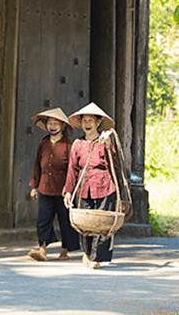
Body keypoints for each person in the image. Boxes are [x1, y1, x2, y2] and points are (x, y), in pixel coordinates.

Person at [63, 102, 118, 269]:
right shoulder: (77, 144)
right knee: (85, 223)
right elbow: (72, 169)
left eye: (90, 120)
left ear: (98, 123)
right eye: (84, 120)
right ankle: (87, 253)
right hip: (83, 187)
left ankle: (96, 258)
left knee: (102, 224)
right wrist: (67, 192)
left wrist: (108, 146)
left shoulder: (105, 143)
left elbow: (115, 165)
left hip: (104, 186)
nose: (87, 123)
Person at [27, 107, 79, 261]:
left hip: (63, 190)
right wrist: (34, 186)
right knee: (43, 220)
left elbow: (72, 168)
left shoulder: (68, 144)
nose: (52, 125)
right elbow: (37, 164)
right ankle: (42, 250)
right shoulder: (43, 143)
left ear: (63, 126)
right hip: (44, 187)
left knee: (65, 221)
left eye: (56, 123)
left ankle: (64, 250)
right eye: (50, 122)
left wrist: (69, 189)